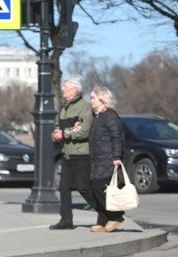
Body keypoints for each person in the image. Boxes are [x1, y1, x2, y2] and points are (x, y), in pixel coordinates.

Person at [50, 75, 93, 230]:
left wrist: (65, 133)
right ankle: (66, 221)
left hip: (81, 154)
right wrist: (55, 134)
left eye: (65, 86)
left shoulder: (85, 107)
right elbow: (58, 128)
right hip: (66, 154)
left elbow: (84, 131)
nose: (62, 89)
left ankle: (107, 213)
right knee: (63, 187)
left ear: (75, 89)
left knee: (83, 188)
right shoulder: (64, 108)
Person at [87, 86, 126, 233]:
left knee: (99, 187)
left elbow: (117, 137)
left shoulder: (110, 115)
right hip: (98, 159)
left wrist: (117, 157)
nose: (91, 101)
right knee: (96, 188)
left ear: (102, 99)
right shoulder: (98, 117)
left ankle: (116, 216)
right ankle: (102, 222)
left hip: (108, 159)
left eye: (93, 98)